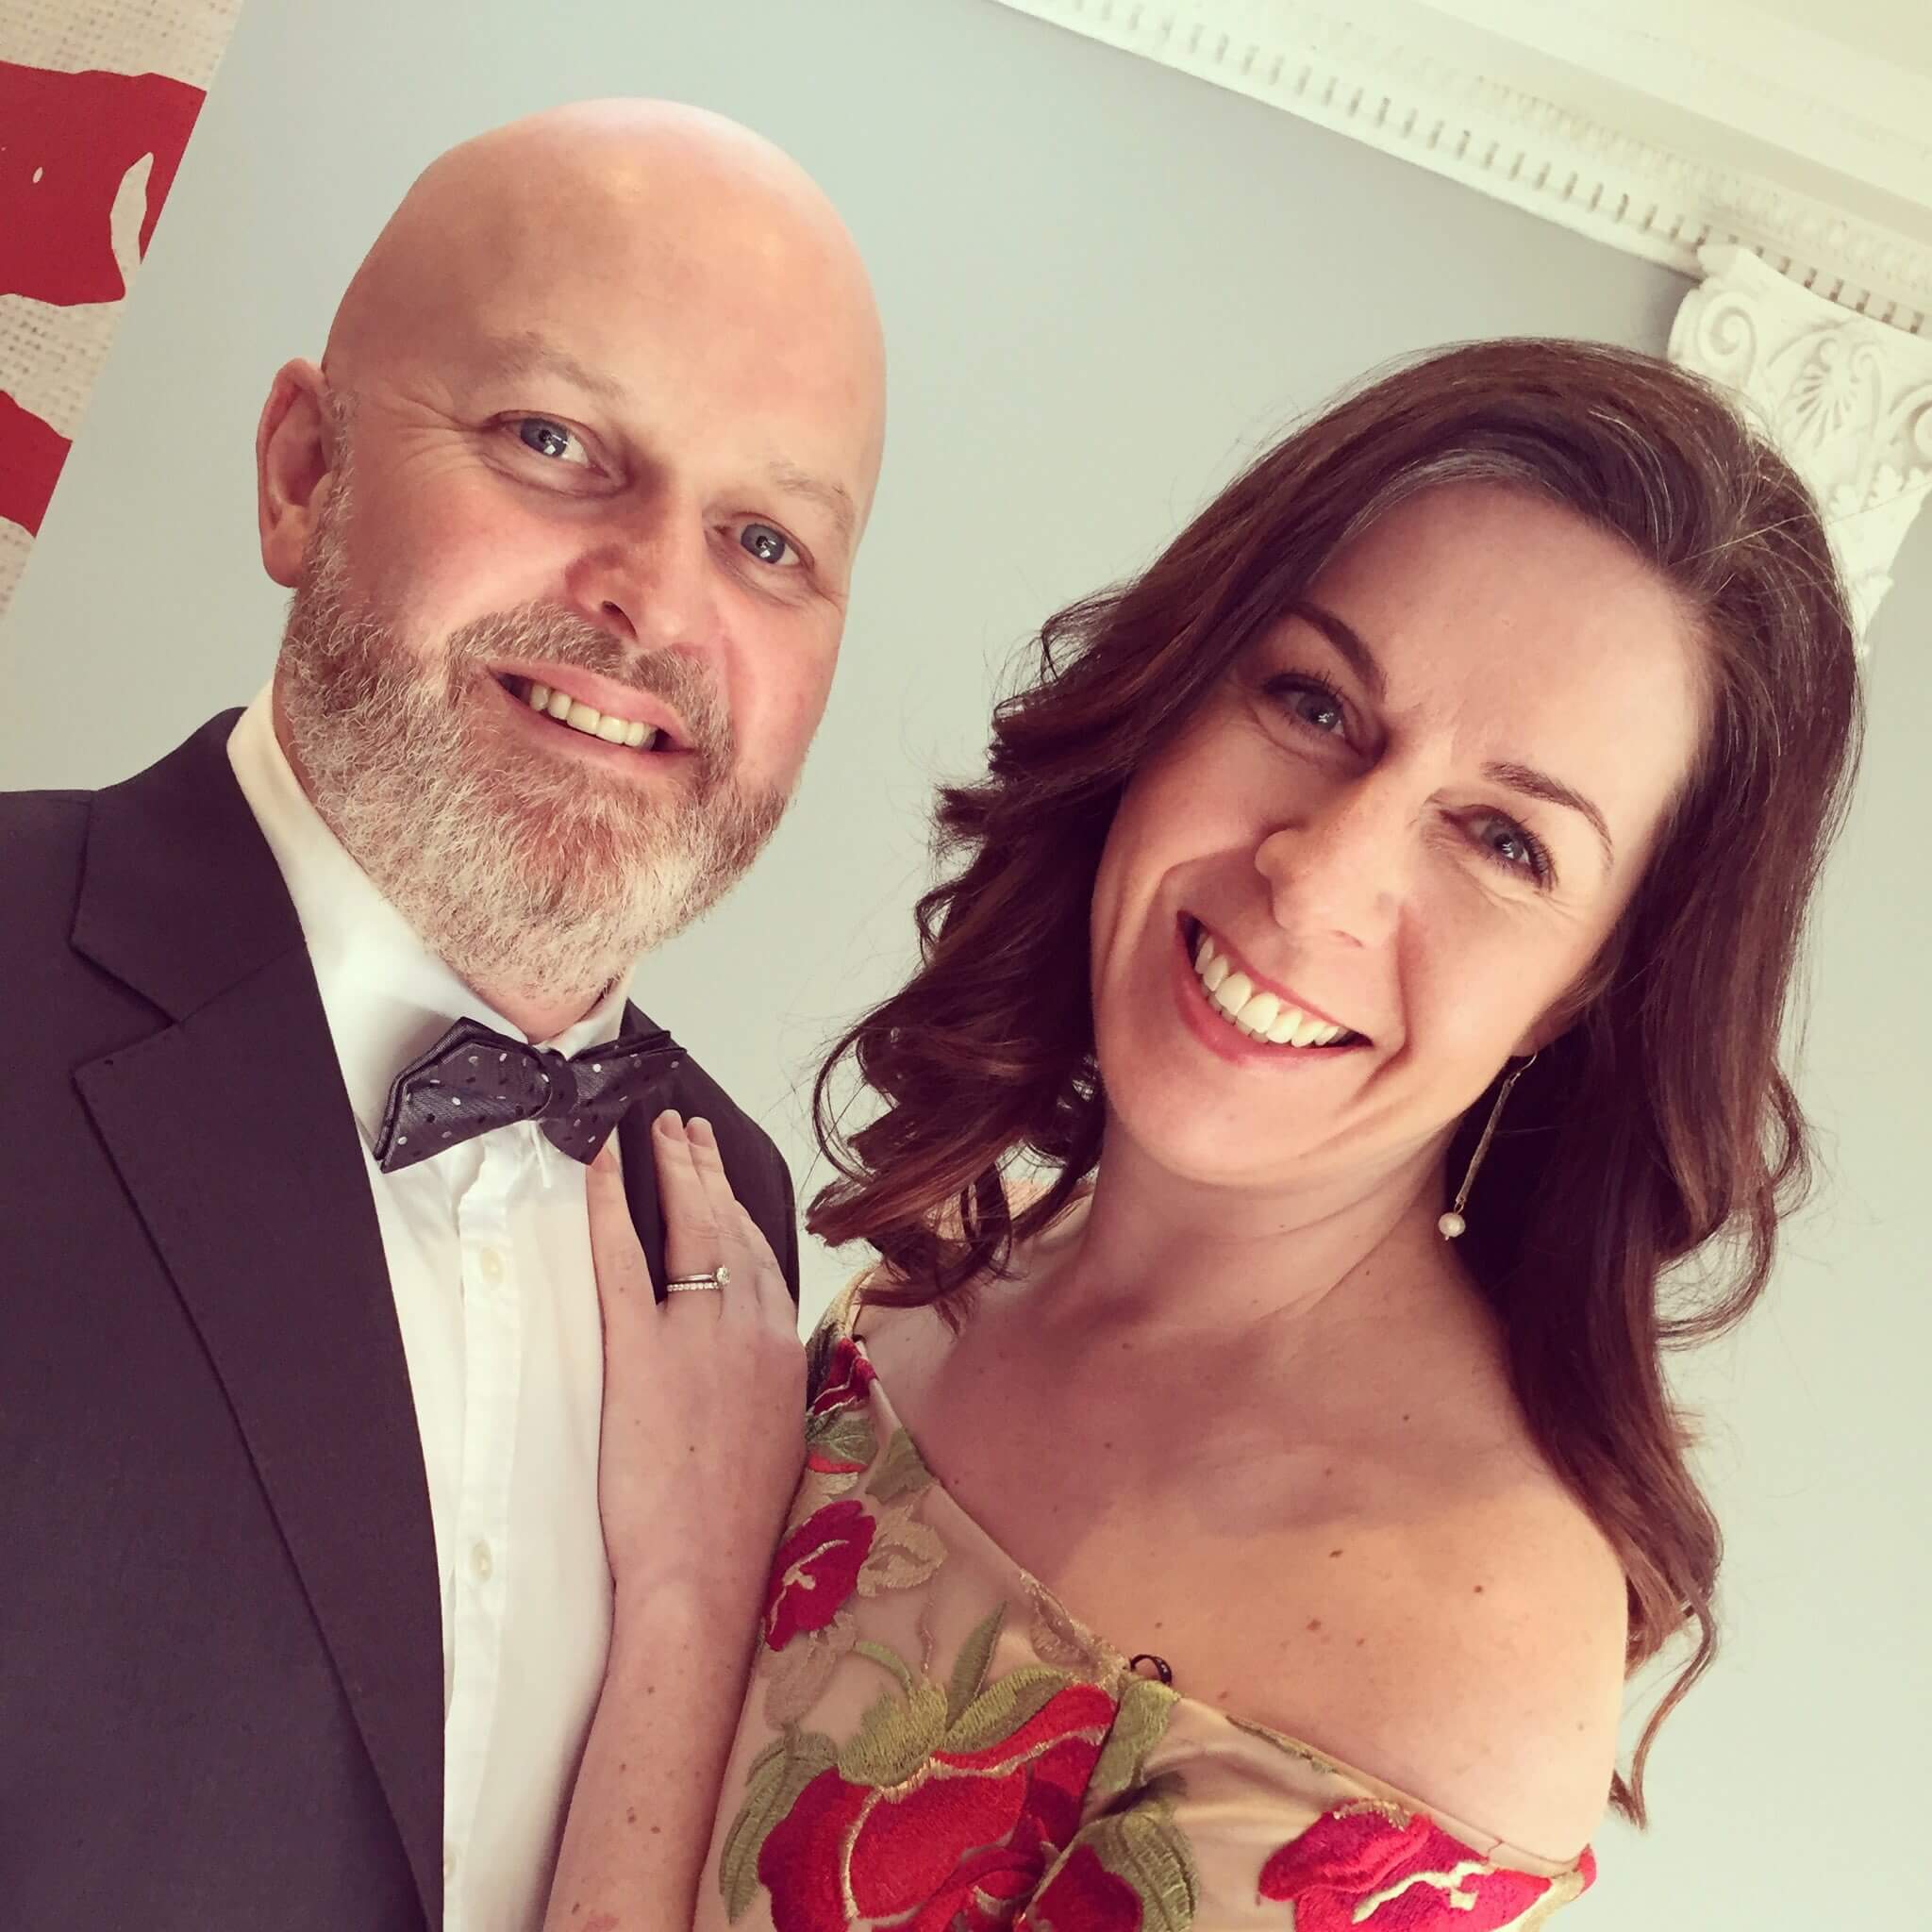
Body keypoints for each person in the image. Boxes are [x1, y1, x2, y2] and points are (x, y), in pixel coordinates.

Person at [549, 340, 1861, 1930]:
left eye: (1505, 841)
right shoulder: (964, 1272)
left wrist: (687, 1589)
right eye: (1313, 702)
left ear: (1582, 993)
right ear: (1176, 697)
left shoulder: (1461, 1625)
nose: (1320, 876)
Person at [0, 101, 883, 1932]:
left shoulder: (724, 1215)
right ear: (304, 471)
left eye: (768, 539)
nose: (653, 594)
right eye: (554, 441)